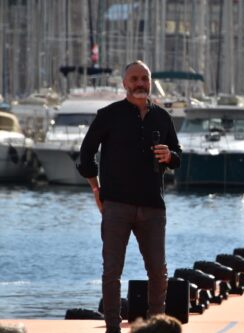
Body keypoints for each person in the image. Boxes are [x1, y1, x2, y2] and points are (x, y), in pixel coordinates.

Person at [76, 60, 182, 333]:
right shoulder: (109, 115)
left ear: (150, 81)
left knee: (158, 272)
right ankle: (113, 328)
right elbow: (86, 154)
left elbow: (178, 157)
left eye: (144, 78)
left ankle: (156, 326)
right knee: (112, 272)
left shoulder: (162, 117)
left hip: (153, 207)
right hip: (116, 205)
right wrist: (95, 188)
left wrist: (170, 156)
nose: (139, 84)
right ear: (124, 84)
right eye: (134, 79)